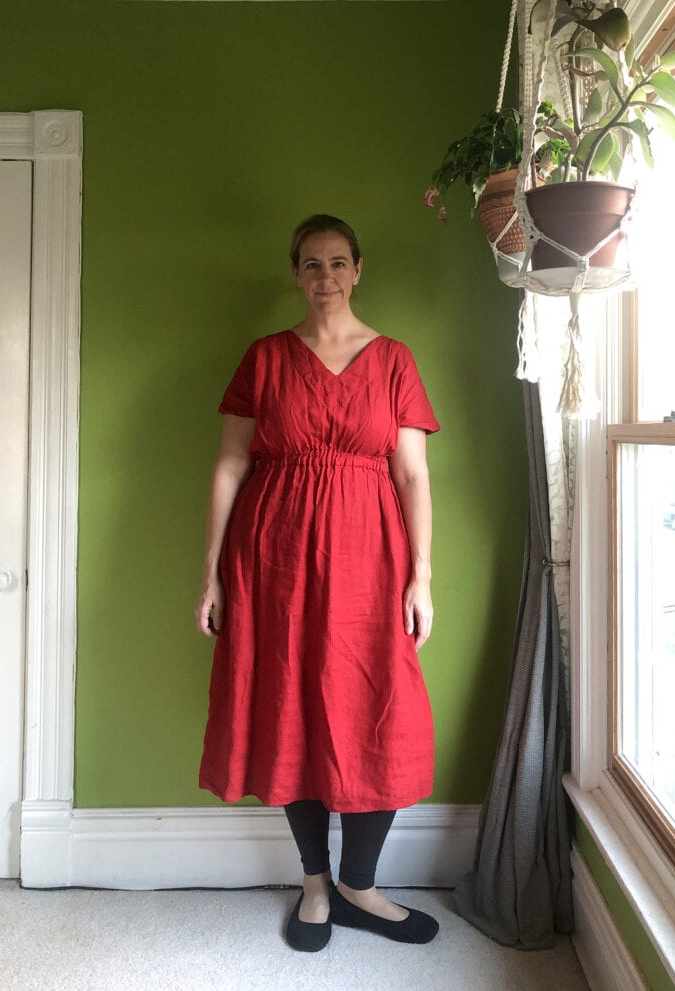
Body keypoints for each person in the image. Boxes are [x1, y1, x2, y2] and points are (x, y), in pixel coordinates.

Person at [196, 214, 440, 951]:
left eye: (338, 263)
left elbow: (412, 473)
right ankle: (314, 883)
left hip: (372, 558)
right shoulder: (266, 357)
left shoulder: (393, 359)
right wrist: (210, 570)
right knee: (289, 708)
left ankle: (360, 885)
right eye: (311, 264)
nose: (325, 277)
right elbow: (231, 465)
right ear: (295, 273)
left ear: (358, 269)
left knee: (380, 709)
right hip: (273, 559)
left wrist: (422, 575)